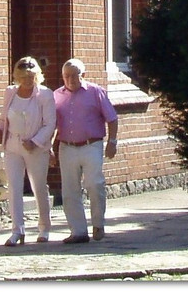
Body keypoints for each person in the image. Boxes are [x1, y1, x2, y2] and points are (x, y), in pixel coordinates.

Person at [53, 58, 118, 244]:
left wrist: (112, 142)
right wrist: (50, 148)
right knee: (69, 190)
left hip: (91, 144)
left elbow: (112, 118)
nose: (71, 79)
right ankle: (78, 231)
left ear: (84, 75)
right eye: (67, 76)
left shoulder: (95, 92)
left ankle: (98, 223)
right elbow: (52, 124)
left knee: (94, 184)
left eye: (75, 75)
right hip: (67, 146)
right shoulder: (57, 95)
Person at [0, 56, 56, 245]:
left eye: (31, 76)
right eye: (23, 77)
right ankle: (17, 230)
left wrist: (36, 141)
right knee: (14, 187)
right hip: (12, 145)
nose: (27, 80)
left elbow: (50, 124)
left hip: (35, 146)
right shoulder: (10, 93)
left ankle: (44, 227)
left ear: (37, 76)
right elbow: (3, 118)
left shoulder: (44, 94)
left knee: (38, 186)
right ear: (17, 76)